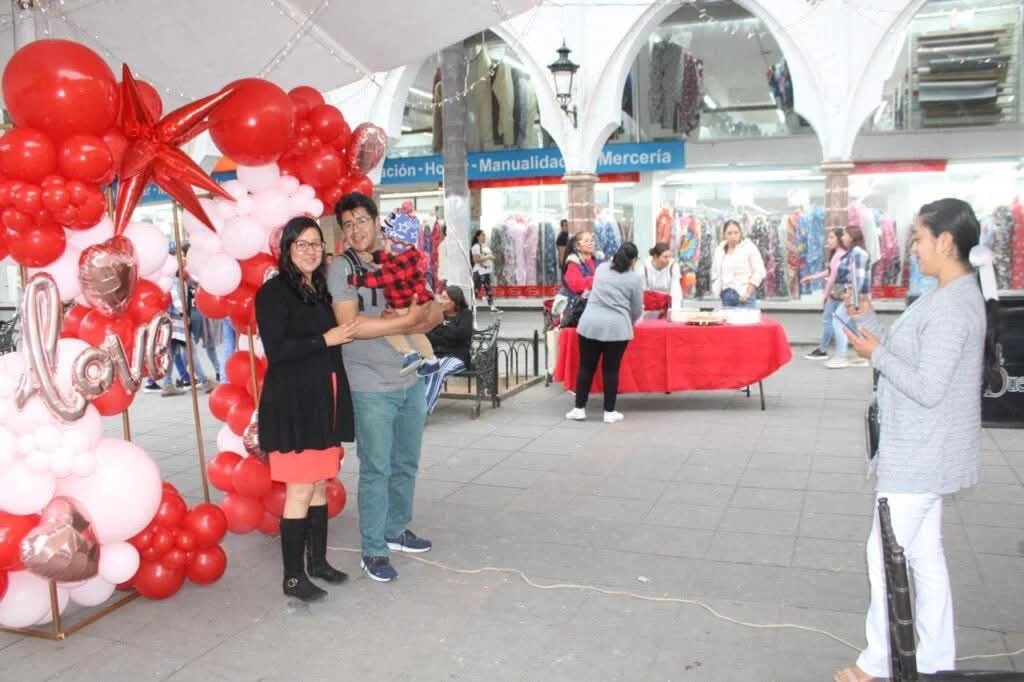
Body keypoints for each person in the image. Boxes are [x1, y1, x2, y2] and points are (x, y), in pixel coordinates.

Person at [833, 198, 1001, 682]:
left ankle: (878, 663)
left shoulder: (952, 305)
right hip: (927, 453)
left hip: (921, 456)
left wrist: (876, 354)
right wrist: (873, 325)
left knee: (882, 556)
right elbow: (915, 353)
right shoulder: (946, 293)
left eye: (919, 238)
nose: (913, 247)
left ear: (946, 242)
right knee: (924, 556)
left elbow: (928, 387)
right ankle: (932, 659)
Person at [329, 192, 443, 583]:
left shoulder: (401, 254)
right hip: (370, 386)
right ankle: (373, 549)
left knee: (406, 462)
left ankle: (396, 530)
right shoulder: (341, 269)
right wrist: (406, 322)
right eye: (348, 224)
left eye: (362, 220)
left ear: (377, 221)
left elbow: (434, 314)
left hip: (410, 380)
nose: (356, 229)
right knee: (376, 468)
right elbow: (351, 326)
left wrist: (414, 319)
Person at [256, 216, 358, 602]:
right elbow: (278, 351)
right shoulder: (273, 294)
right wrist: (324, 338)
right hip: (293, 403)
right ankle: (293, 577)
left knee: (319, 484)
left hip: (323, 398)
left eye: (316, 244)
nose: (311, 251)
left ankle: (318, 562)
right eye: (302, 244)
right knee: (300, 489)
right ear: (287, 249)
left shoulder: (320, 291)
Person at [565, 242, 643, 424]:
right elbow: (637, 308)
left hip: (590, 323)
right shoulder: (635, 278)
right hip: (617, 328)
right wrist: (628, 322)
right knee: (611, 369)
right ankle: (609, 412)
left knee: (586, 367)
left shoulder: (601, 269)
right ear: (634, 260)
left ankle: (579, 409)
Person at [345, 231, 440, 378]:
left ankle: (409, 353)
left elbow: (378, 279)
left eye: (387, 241)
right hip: (418, 301)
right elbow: (386, 255)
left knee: (389, 328)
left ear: (397, 245)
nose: (384, 243)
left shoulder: (397, 267)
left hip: (405, 304)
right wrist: (374, 257)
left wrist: (354, 279)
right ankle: (431, 359)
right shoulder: (408, 255)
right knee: (416, 332)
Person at [825, 225, 871, 369]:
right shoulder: (852, 252)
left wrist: (851, 297)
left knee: (838, 321)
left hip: (855, 295)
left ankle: (841, 356)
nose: (842, 237)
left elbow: (858, 278)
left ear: (852, 236)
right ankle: (862, 356)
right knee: (852, 325)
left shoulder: (858, 253)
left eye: (844, 235)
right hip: (854, 295)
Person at [423, 286, 474, 414]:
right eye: (441, 297)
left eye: (445, 298)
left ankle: (423, 411)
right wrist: (446, 333)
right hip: (435, 356)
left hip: (457, 357)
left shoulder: (466, 315)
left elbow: (462, 335)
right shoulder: (437, 315)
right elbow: (428, 336)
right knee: (419, 370)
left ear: (455, 301)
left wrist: (441, 331)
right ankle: (413, 408)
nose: (440, 301)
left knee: (437, 371)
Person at [802, 228, 847, 360]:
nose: (829, 240)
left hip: (837, 292)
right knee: (839, 321)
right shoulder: (838, 253)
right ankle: (827, 349)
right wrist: (813, 277)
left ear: (839, 239)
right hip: (840, 291)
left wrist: (825, 295)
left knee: (829, 320)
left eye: (832, 237)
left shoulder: (839, 254)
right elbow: (829, 272)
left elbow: (832, 277)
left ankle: (825, 350)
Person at [711, 219, 766, 308]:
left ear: (740, 233)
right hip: (726, 296)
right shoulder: (719, 250)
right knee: (728, 321)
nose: (733, 236)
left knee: (744, 321)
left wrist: (748, 292)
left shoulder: (749, 247)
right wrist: (718, 290)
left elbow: (759, 271)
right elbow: (715, 272)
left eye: (736, 233)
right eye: (729, 233)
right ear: (724, 235)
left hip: (743, 295)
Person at [639, 242, 683, 310]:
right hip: (650, 306)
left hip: (667, 305)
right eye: (665, 257)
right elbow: (641, 291)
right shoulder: (644, 267)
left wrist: (675, 311)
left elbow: (676, 290)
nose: (668, 260)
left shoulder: (673, 266)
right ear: (655, 257)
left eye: (670, 256)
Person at [471, 229, 501, 313]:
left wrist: (490, 257)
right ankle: (472, 307)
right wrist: (488, 257)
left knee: (488, 289)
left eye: (484, 235)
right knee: (476, 290)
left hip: (486, 271)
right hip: (479, 272)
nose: (484, 237)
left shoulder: (485, 247)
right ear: (478, 237)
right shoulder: (476, 247)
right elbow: (476, 260)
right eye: (482, 235)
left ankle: (492, 306)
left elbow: (491, 257)